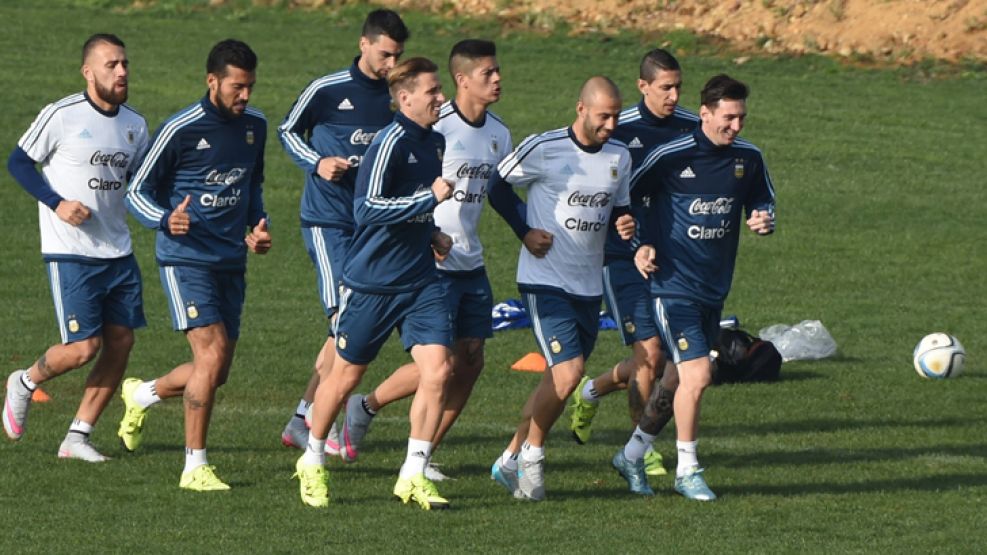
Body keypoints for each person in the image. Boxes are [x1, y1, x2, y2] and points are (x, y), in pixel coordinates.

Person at [336, 39, 511, 481]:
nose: (498, 79)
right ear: (462, 79)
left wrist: (526, 230)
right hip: (428, 261)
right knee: (440, 362)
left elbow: (498, 189)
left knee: (471, 361)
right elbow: (385, 182)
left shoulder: (499, 133)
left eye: (497, 71)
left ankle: (424, 453)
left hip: (470, 258)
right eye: (488, 73)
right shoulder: (435, 127)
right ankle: (367, 405)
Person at [293, 57, 455, 510]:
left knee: (439, 370)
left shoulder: (436, 142)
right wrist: (427, 199)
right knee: (344, 377)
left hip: (421, 281)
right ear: (405, 98)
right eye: (432, 91)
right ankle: (312, 458)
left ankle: (413, 473)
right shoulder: (389, 143)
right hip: (371, 283)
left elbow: (410, 210)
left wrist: (432, 230)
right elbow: (367, 210)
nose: (440, 98)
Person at [121, 39, 271, 491]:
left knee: (217, 369)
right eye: (236, 88)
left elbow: (252, 186)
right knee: (210, 355)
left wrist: (257, 228)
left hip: (230, 260)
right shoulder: (181, 129)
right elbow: (135, 192)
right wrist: (167, 219)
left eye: (250, 88)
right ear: (212, 82)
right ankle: (194, 466)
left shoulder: (256, 126)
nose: (244, 97)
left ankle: (141, 394)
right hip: (185, 260)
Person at [621, 73, 776, 501]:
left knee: (674, 380)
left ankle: (632, 453)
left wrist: (764, 218)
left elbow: (762, 199)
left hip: (714, 288)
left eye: (742, 117)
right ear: (705, 113)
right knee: (698, 375)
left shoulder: (749, 158)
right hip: (672, 286)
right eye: (728, 117)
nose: (737, 126)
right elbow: (629, 198)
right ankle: (688, 469)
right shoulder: (671, 155)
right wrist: (640, 243)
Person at [487, 76, 635, 501]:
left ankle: (509, 458)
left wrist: (625, 224)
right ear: (581, 109)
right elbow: (497, 185)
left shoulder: (620, 156)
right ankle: (533, 457)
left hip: (588, 284)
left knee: (558, 379)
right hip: (543, 279)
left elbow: (620, 210)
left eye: (616, 115)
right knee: (568, 373)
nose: (611, 124)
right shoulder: (544, 147)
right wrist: (524, 231)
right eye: (603, 116)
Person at [3, 34, 149, 462]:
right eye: (110, 65)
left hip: (118, 250)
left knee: (120, 343)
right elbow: (18, 162)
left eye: (124, 63)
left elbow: (139, 183)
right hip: (71, 250)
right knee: (84, 347)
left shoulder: (135, 125)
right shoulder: (62, 115)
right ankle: (25, 382)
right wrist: (58, 204)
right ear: (88, 72)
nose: (121, 71)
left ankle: (77, 436)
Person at [276, 8, 409, 455]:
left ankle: (304, 417)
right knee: (343, 321)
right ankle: (319, 425)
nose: (392, 64)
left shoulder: (396, 96)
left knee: (342, 329)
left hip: (370, 227)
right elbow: (288, 130)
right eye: (386, 55)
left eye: (398, 56)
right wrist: (318, 161)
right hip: (328, 221)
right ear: (364, 44)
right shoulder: (328, 90)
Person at [568, 49, 698, 483]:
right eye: (665, 87)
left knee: (664, 359)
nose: (674, 95)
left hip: (674, 257)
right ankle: (642, 448)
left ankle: (591, 390)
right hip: (622, 256)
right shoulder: (616, 129)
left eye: (679, 86)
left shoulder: (691, 129)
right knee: (652, 352)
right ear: (643, 87)